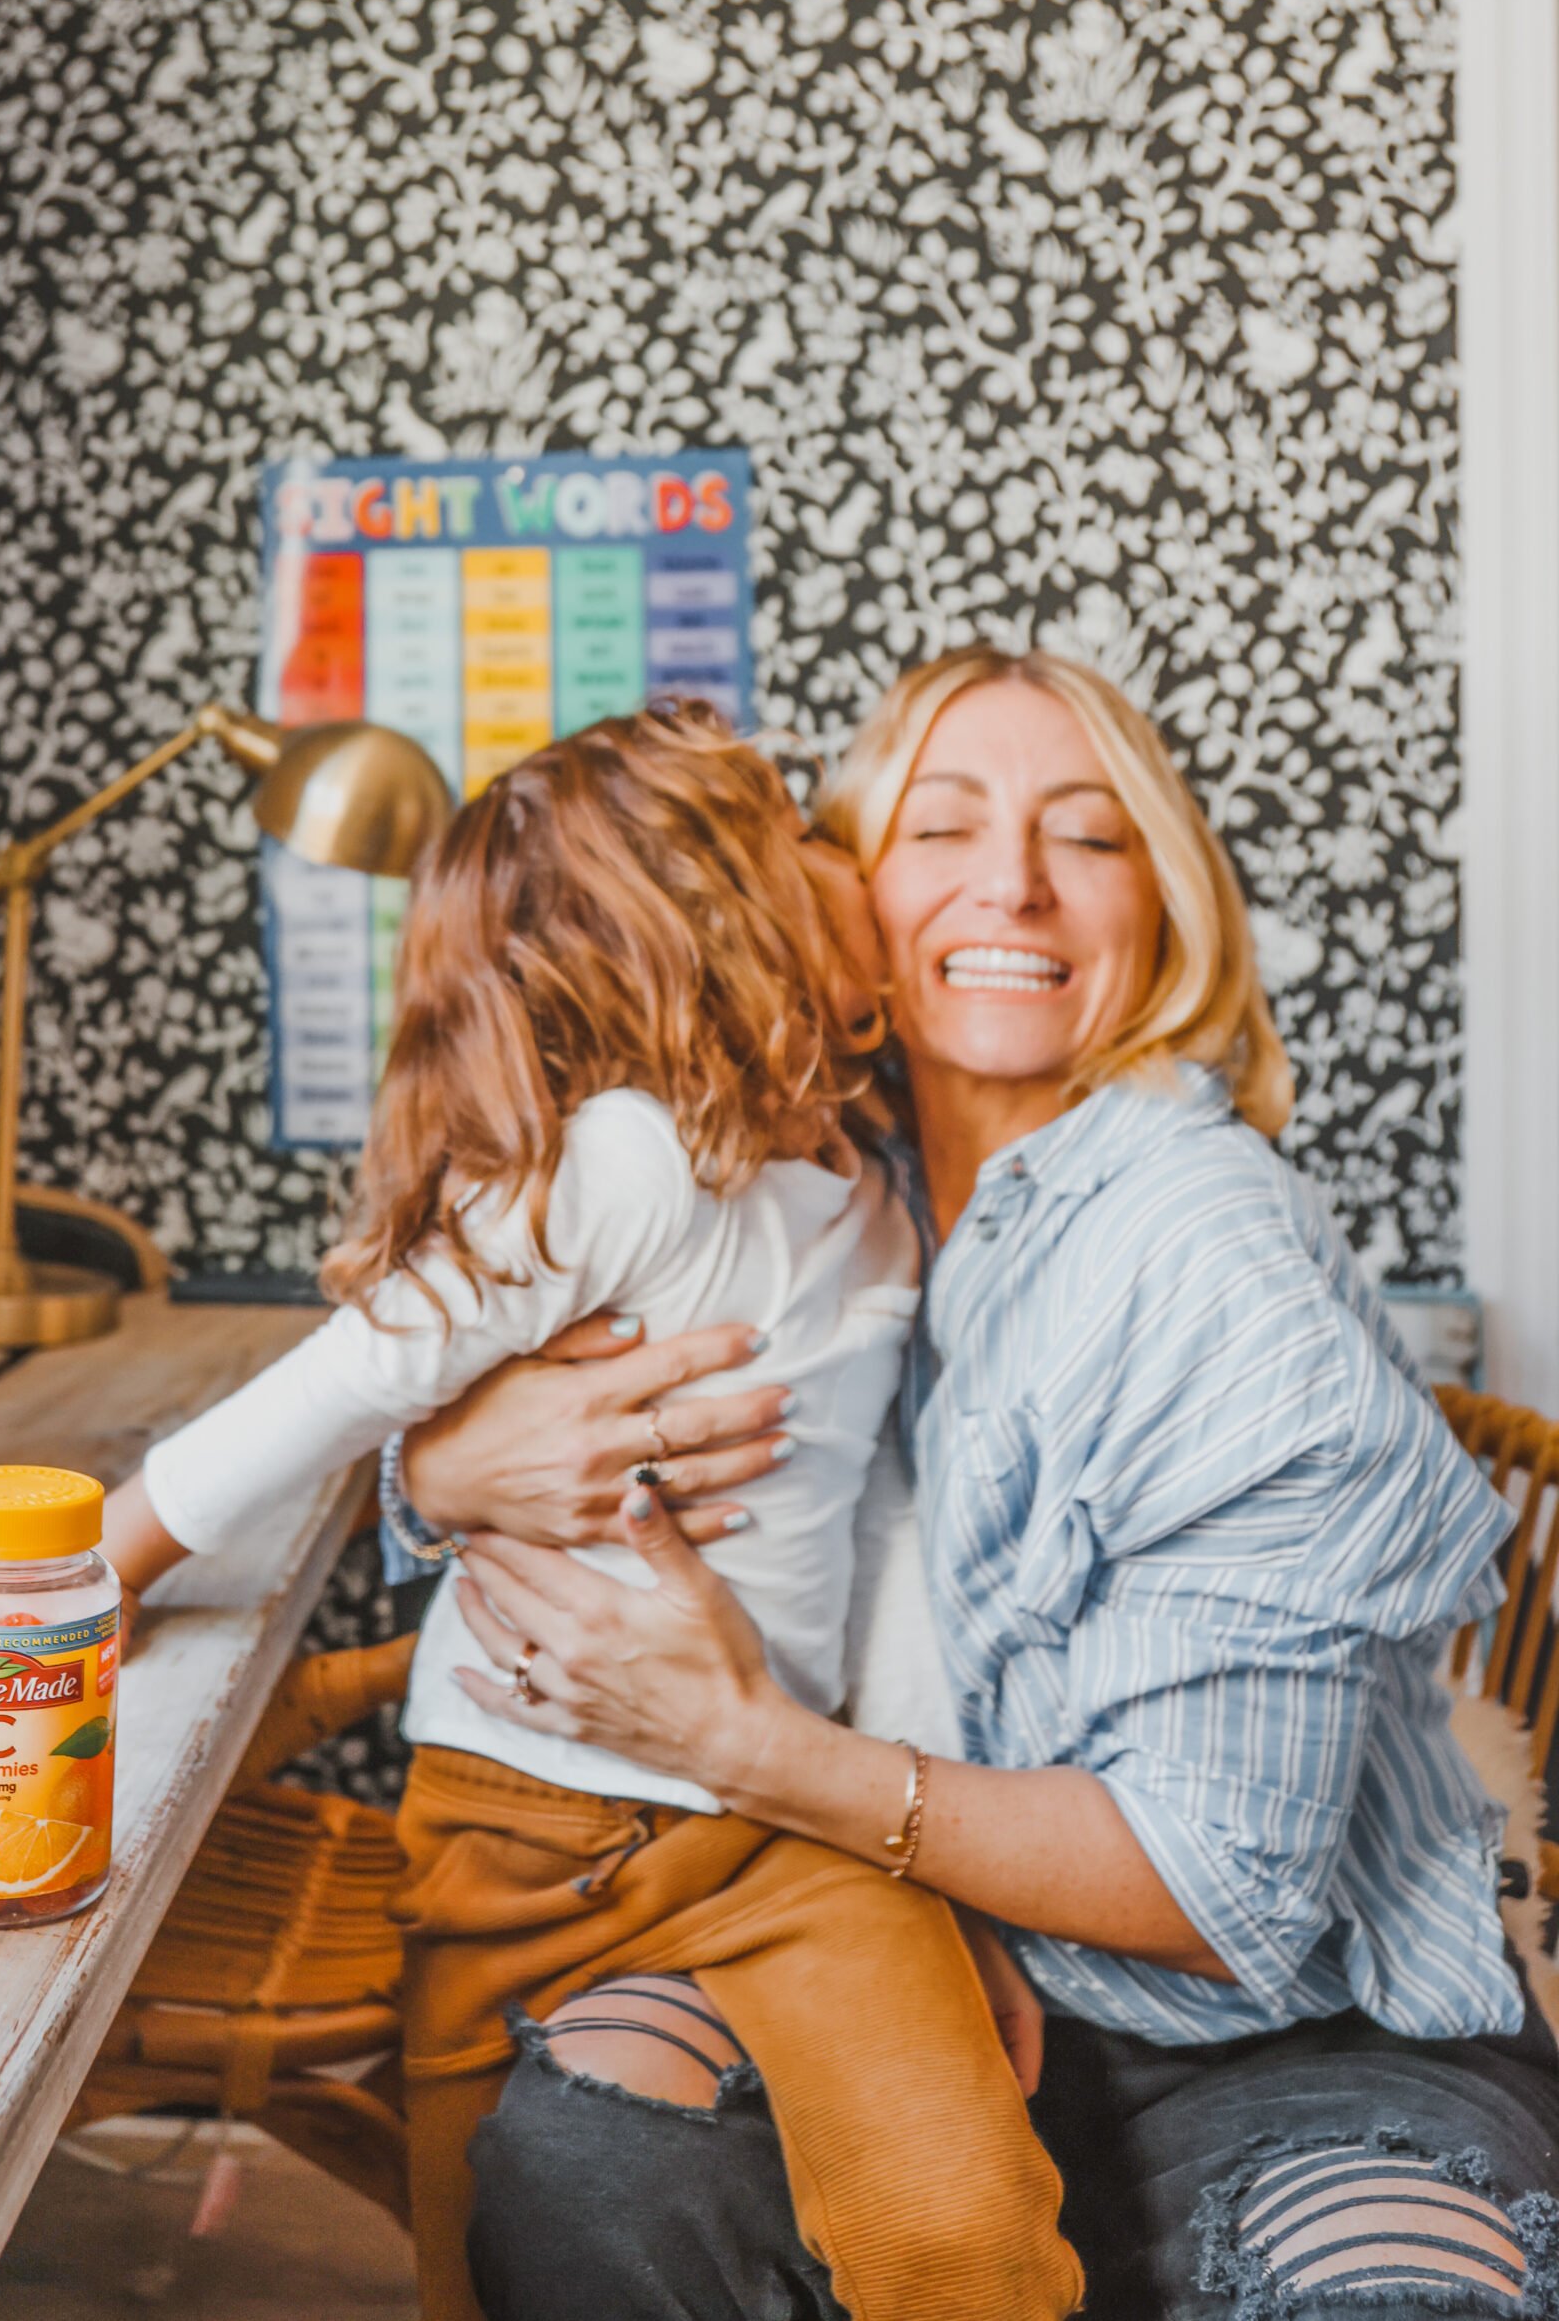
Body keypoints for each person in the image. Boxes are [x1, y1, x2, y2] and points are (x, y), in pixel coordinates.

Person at [398, 646, 1559, 2321]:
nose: (1011, 880)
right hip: (870, 1954)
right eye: (941, 827)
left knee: (1396, 2297)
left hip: (1274, 2036)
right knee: (592, 2155)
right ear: (846, 892)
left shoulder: (1203, 1250)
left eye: (1087, 838)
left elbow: (1220, 1888)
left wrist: (749, 1746)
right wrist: (440, 1462)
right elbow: (445, 1330)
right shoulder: (789, 1156)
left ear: (1165, 909)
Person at [100, 700, 1080, 2321]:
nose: (852, 864)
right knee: (482, 2251)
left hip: (794, 1831)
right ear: (723, 917)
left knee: (966, 2238)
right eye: (801, 835)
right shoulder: (629, 1165)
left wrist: (935, 1857)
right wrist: (109, 1556)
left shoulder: (885, 1193)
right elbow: (349, 1376)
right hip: (516, 1828)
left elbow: (886, 1529)